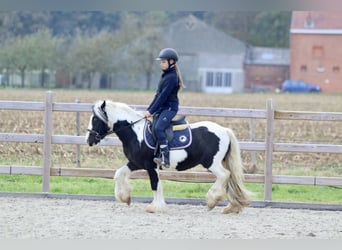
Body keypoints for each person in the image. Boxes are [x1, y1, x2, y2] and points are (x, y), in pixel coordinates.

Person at [145, 48, 185, 168]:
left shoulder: (172, 78)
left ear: (171, 62)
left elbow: (163, 97)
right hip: (163, 108)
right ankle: (157, 153)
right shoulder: (165, 76)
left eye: (163, 61)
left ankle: (165, 157)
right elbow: (157, 95)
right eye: (161, 61)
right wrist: (149, 110)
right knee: (153, 127)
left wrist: (151, 111)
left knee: (158, 128)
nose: (161, 63)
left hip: (169, 109)